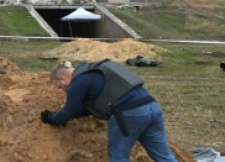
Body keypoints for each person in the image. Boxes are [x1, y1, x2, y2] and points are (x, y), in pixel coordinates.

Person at [41, 59, 176, 162]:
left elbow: (69, 111)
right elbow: (87, 109)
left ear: (63, 79)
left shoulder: (78, 81)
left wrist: (50, 118)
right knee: (163, 156)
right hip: (152, 106)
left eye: (59, 87)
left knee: (118, 156)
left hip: (129, 114)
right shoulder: (97, 70)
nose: (62, 90)